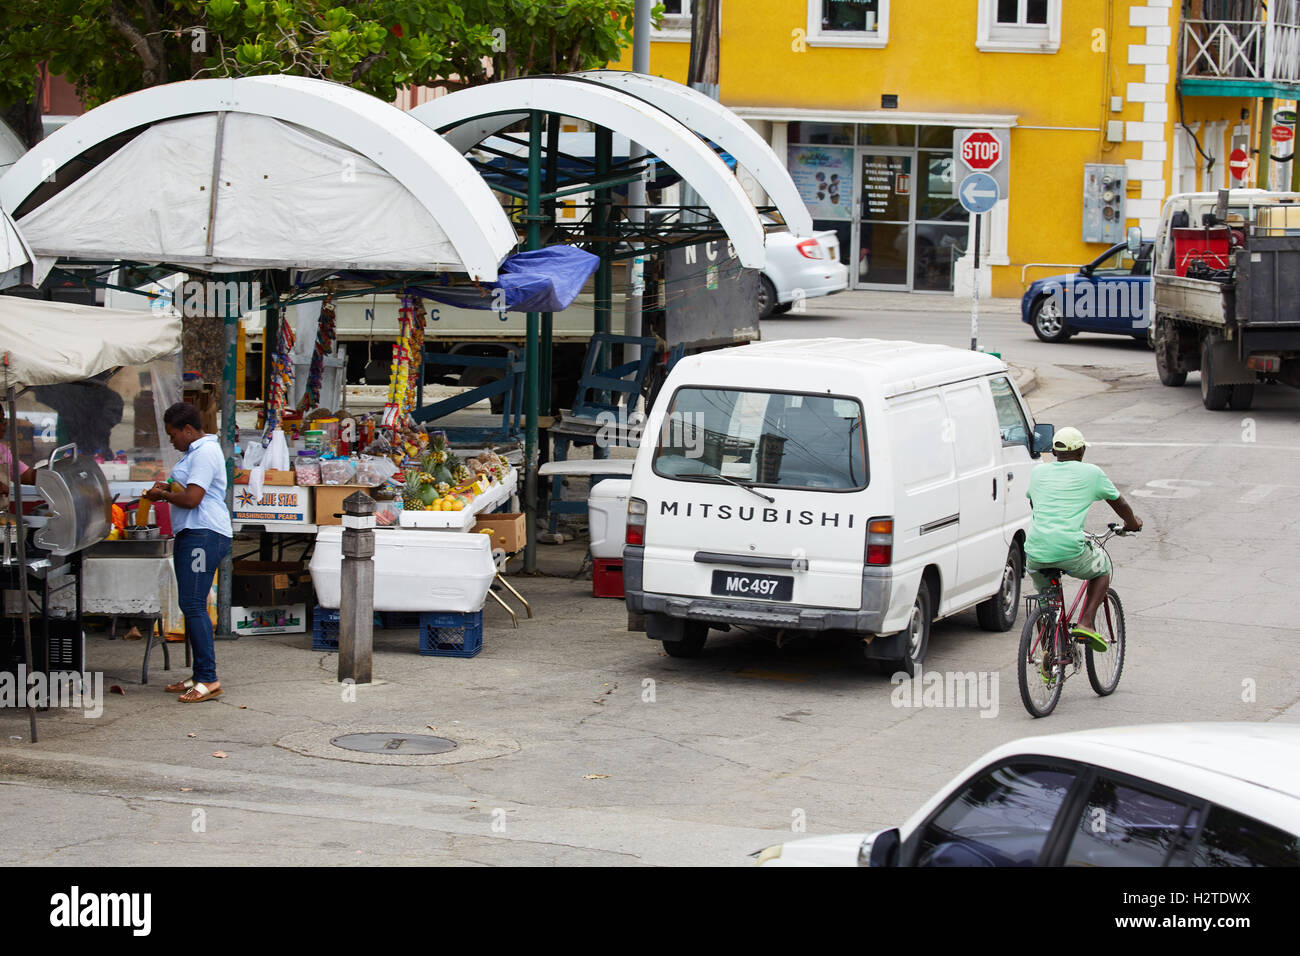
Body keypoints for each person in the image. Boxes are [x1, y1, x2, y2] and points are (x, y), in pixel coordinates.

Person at [1024, 426, 1142, 652]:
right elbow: (1120, 504)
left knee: (1045, 601)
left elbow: (1034, 504)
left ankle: (1049, 655)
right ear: (1080, 453)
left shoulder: (1038, 472)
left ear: (1055, 452)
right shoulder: (1092, 473)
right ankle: (1086, 623)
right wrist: (1132, 524)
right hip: (1069, 548)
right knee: (1102, 569)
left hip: (1036, 550)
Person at [145, 403, 232, 703]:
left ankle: (208, 678)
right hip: (193, 533)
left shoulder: (205, 452)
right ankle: (199, 674)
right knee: (191, 604)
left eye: (173, 435)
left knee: (193, 604)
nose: (172, 441)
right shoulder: (194, 453)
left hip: (203, 533)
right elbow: (186, 490)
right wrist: (168, 488)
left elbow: (193, 499)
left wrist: (163, 495)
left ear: (189, 430)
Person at [0, 406, 39, 499]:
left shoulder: (3, 450)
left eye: (4, 420)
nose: (4, 424)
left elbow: (27, 475)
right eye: (0, 420)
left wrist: (54, 476)